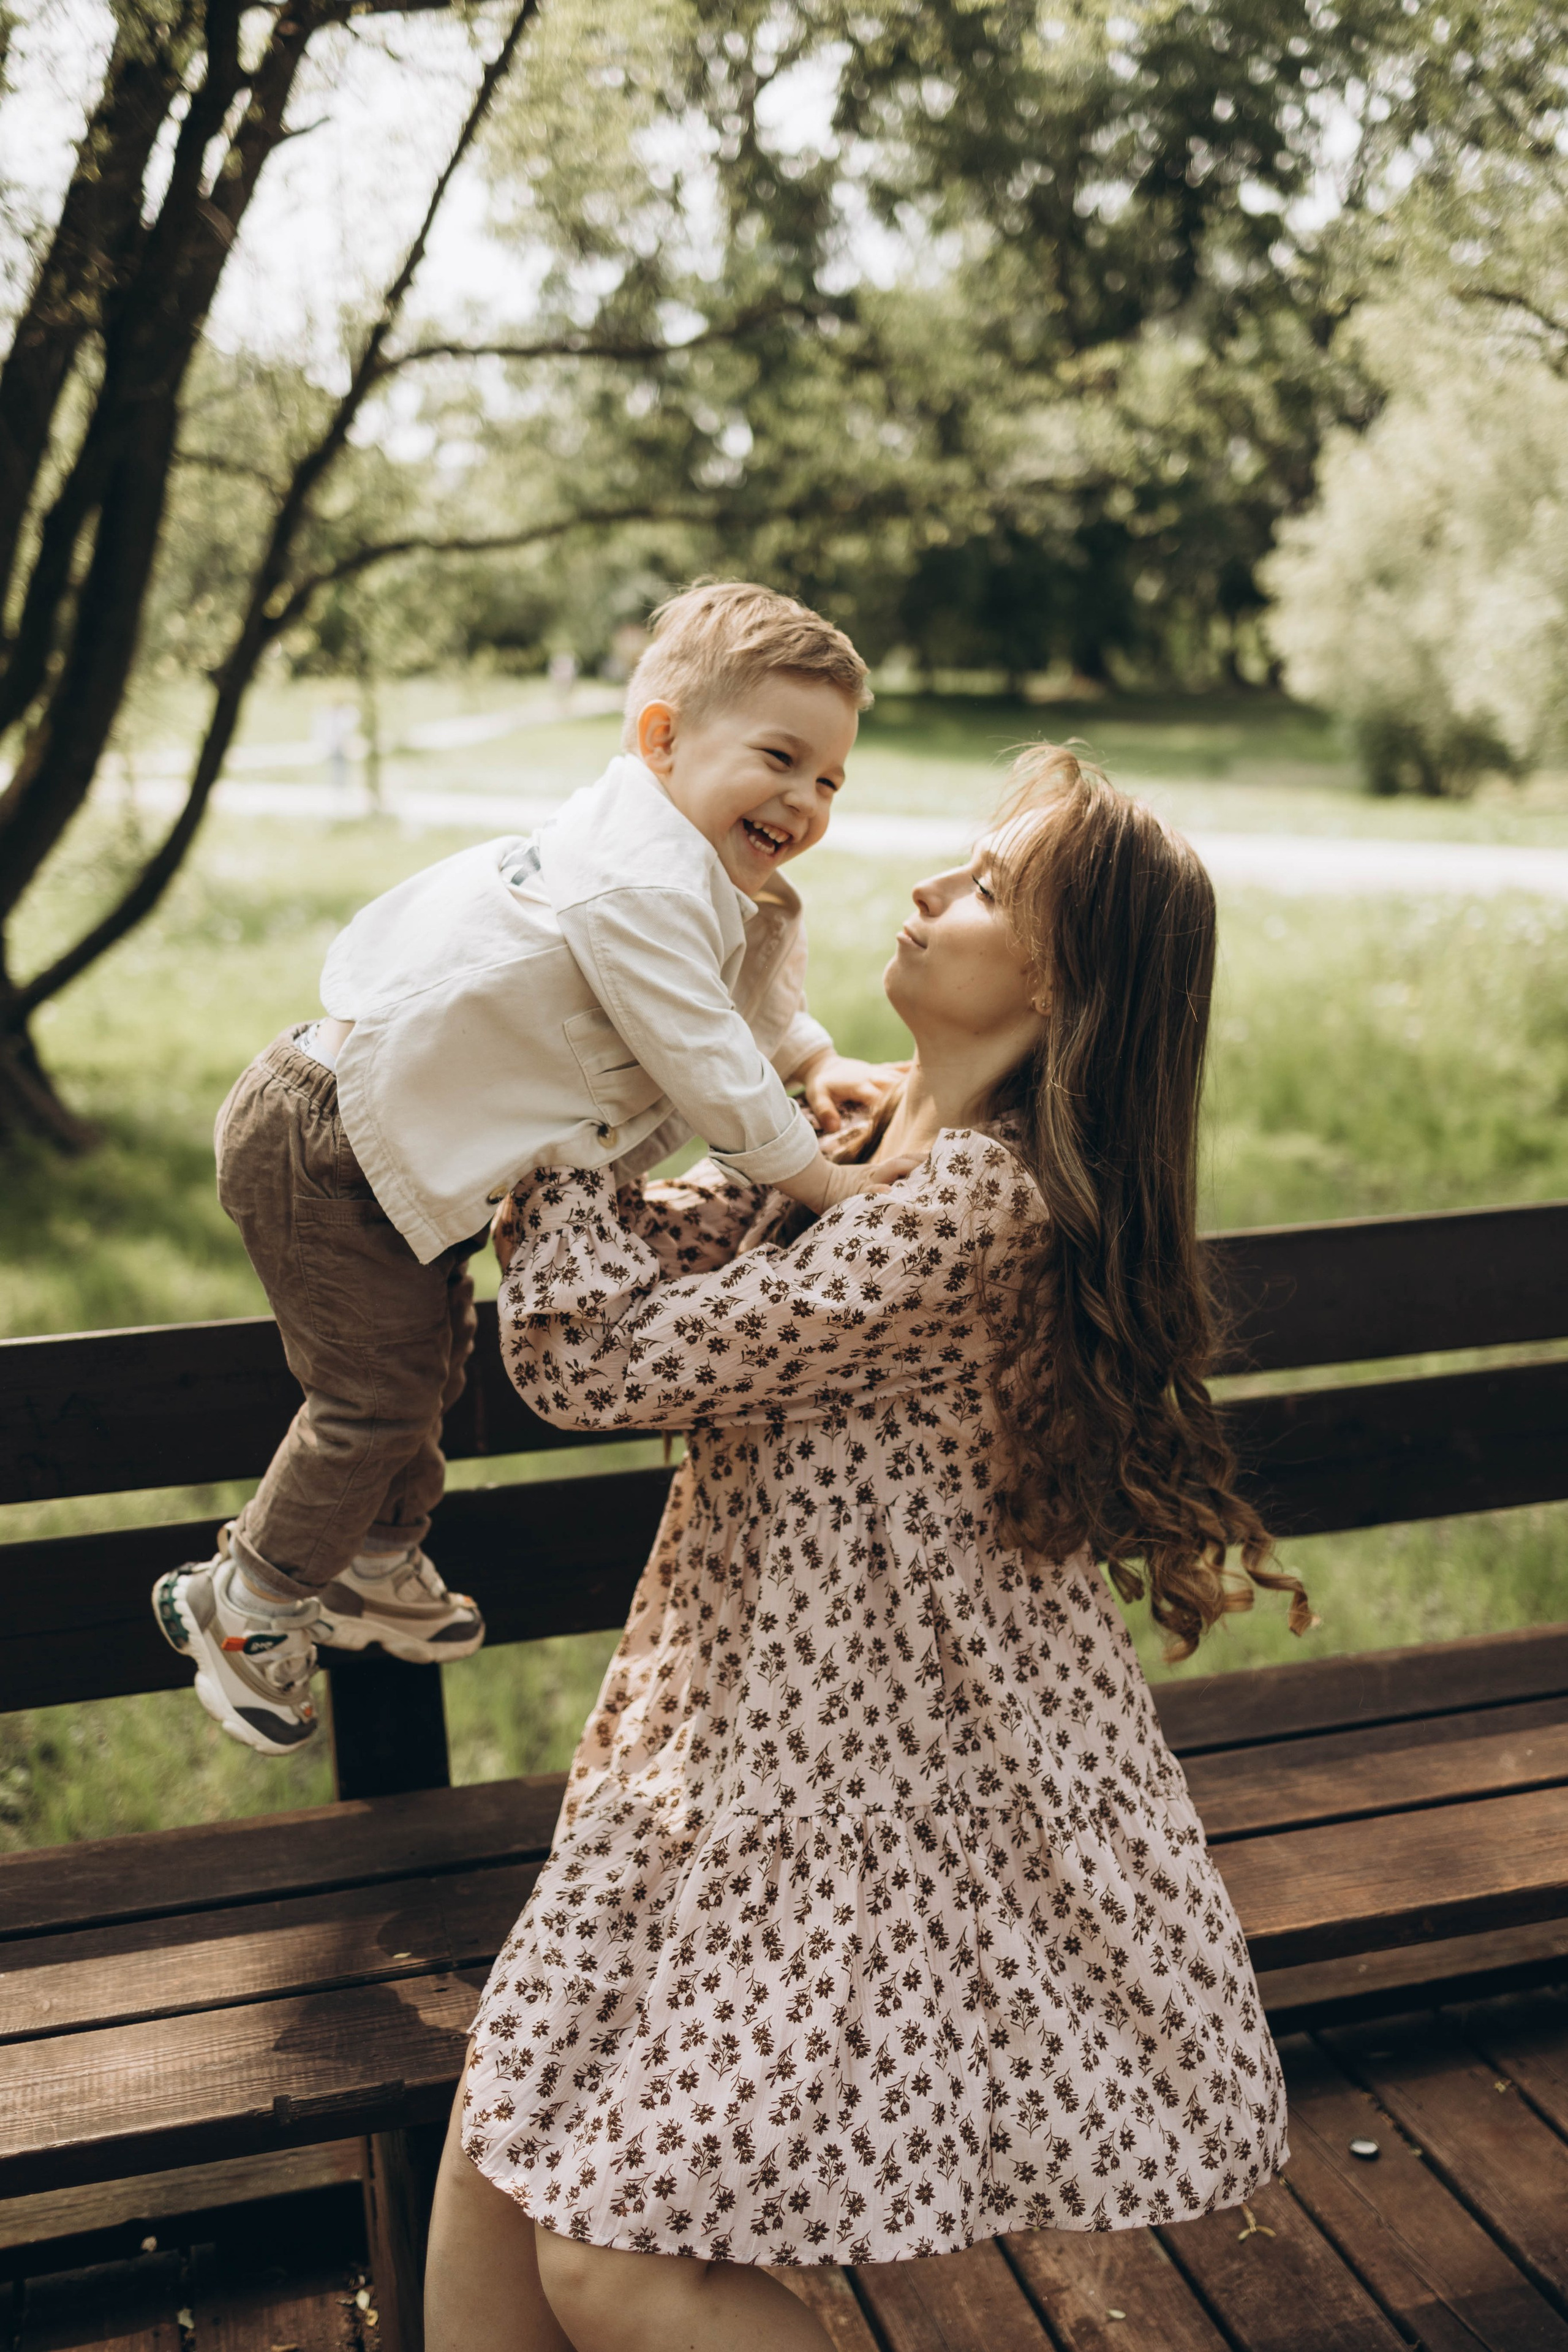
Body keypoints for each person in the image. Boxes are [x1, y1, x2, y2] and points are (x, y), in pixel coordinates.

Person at [423, 743, 1314, 2352]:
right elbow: (643, 1264)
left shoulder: (977, 1202)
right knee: (503, 2142)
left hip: (861, 1785)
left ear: (1067, 984)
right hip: (708, 1751)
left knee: (619, 2257)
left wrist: (534, 1119)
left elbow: (597, 1359)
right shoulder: (868, 1138)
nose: (922, 890)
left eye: (985, 891)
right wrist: (672, 1096)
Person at [153, 584, 904, 1758]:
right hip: (328, 1143)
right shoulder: (640, 881)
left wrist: (811, 1057)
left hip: (399, 1149)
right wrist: (818, 1181)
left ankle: (373, 1561)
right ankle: (246, 1601)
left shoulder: (670, 863)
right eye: (781, 758)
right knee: (379, 1393)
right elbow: (703, 1054)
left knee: (428, 1363)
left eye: (830, 781)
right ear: (663, 738)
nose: (805, 800)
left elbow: (737, 996)